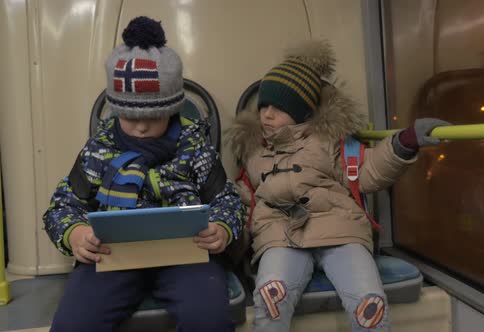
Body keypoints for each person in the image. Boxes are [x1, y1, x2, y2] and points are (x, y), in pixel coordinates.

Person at [225, 40, 450, 331]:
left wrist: (404, 142)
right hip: (280, 236)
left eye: (278, 109)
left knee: (370, 306)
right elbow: (245, 197)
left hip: (341, 231)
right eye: (263, 106)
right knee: (272, 298)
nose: (266, 114)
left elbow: (368, 171)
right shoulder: (254, 150)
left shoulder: (329, 141)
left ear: (302, 112)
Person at [43, 16, 243, 332]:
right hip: (113, 257)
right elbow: (62, 207)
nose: (140, 126)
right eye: (129, 115)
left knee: (209, 320)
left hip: (185, 255)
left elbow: (228, 199)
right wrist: (75, 234)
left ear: (172, 109)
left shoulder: (193, 144)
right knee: (73, 324)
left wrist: (221, 227)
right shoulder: (100, 147)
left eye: (154, 116)